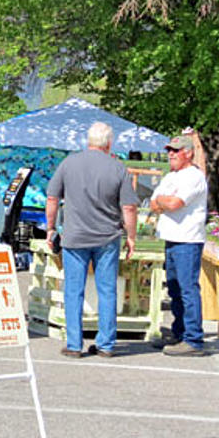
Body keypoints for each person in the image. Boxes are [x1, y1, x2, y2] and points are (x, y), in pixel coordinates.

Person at [45, 122, 138, 359]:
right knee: (107, 290)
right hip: (107, 237)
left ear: (88, 141)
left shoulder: (68, 164)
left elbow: (52, 198)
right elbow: (128, 207)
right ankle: (106, 343)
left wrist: (50, 229)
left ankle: (74, 344)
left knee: (73, 291)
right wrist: (131, 236)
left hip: (75, 236)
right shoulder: (118, 168)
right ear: (109, 143)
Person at [150, 134, 209, 357]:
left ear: (188, 153)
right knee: (174, 288)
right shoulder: (171, 176)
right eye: (169, 151)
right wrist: (165, 201)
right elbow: (155, 203)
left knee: (188, 289)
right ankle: (179, 331)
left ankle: (193, 339)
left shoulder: (194, 177)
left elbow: (174, 203)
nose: (171, 155)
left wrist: (166, 201)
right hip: (172, 237)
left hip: (188, 239)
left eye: (176, 151)